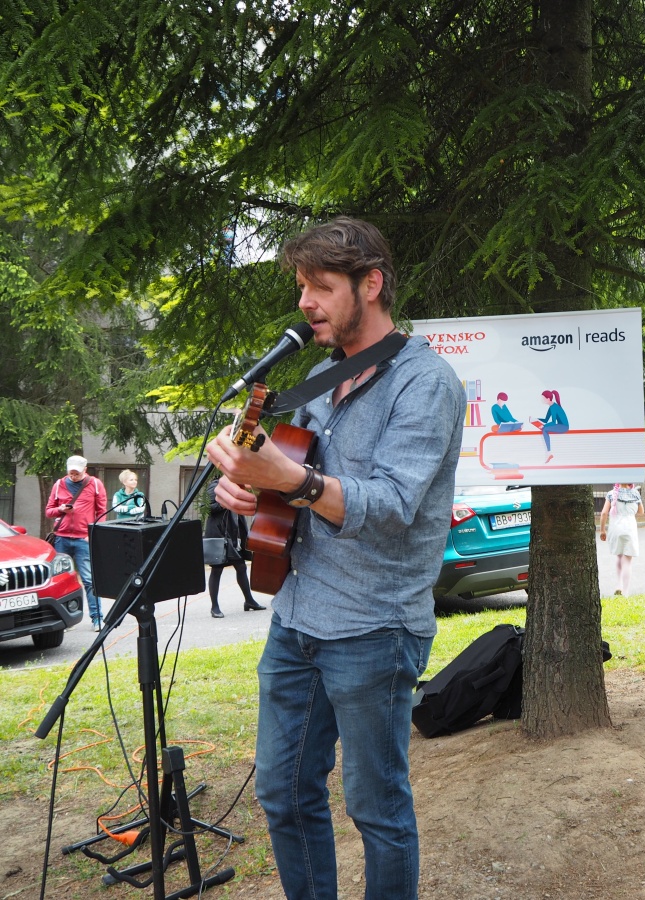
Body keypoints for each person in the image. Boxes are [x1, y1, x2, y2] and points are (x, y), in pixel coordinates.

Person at [205, 217, 464, 900]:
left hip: (375, 628)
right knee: (282, 792)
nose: (305, 303)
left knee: (377, 810)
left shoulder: (426, 382)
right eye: (301, 287)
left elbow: (393, 505)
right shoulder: (322, 376)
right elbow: (289, 483)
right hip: (296, 619)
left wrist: (288, 480)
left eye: (320, 286)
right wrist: (247, 490)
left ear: (370, 285)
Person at [45, 455, 107, 630]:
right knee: (60, 580)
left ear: (85, 470)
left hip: (83, 538)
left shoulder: (95, 484)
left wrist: (92, 534)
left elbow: (102, 512)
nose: (73, 476)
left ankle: (97, 618)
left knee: (88, 579)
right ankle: (64, 620)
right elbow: (49, 511)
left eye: (77, 473)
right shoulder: (59, 485)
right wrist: (60, 509)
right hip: (62, 538)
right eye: (71, 473)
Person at [204, 479, 265, 617]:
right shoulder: (216, 485)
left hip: (233, 536)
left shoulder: (237, 487)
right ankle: (214, 607)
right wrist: (227, 502)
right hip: (219, 535)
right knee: (217, 569)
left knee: (241, 567)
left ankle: (249, 601)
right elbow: (208, 508)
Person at [599, 483, 643, 596]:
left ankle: (619, 584)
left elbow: (604, 513)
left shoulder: (611, 494)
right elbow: (641, 512)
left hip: (615, 527)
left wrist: (602, 530)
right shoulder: (635, 493)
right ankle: (626, 591)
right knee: (627, 560)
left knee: (619, 556)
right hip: (630, 528)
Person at [530, 388, 568, 462]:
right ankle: (549, 453)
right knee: (544, 428)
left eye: (543, 398)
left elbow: (553, 422)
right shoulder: (551, 407)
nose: (542, 400)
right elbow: (546, 420)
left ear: (548, 399)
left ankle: (549, 453)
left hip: (564, 427)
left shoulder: (554, 407)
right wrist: (535, 419)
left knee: (544, 429)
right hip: (560, 425)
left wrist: (545, 426)